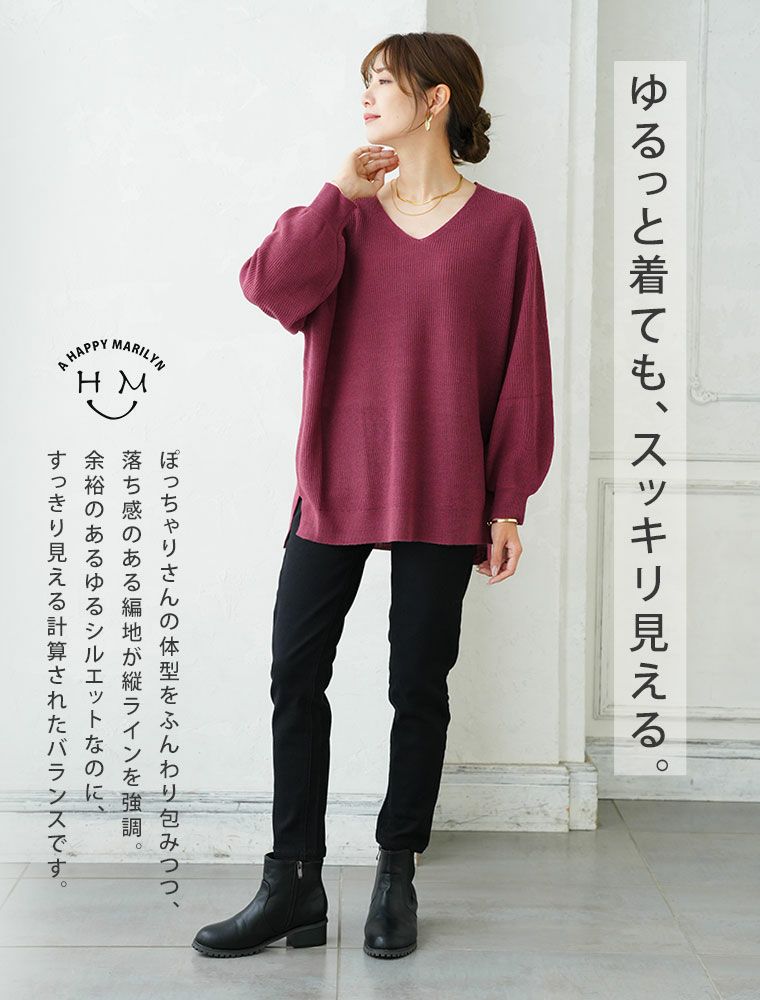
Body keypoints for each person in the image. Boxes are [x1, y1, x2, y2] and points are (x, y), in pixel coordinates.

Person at [192, 30, 554, 961]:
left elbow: (521, 372)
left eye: (384, 82)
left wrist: (508, 501)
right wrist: (333, 193)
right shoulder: (346, 217)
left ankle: (397, 872)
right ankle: (293, 883)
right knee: (294, 673)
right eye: (365, 82)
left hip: (445, 486)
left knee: (417, 684)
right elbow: (268, 289)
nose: (367, 95)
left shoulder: (503, 224)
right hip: (337, 481)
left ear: (436, 99)